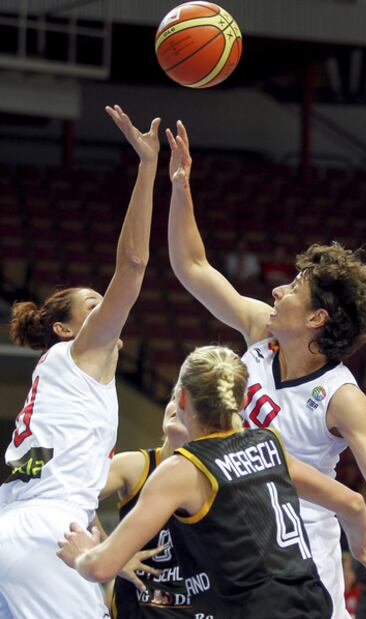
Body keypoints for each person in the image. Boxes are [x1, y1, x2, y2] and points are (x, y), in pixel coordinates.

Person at [164, 121, 366, 616]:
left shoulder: (342, 398)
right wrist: (180, 186)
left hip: (300, 553)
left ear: (317, 318)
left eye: (294, 286)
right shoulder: (263, 331)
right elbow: (192, 266)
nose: (277, 290)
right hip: (231, 532)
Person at [57, 345, 366, 619]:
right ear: (243, 402)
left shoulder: (182, 470)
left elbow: (101, 568)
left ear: (183, 400)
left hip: (256, 611)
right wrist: (363, 550)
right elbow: (354, 504)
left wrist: (82, 555)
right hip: (312, 600)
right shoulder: (269, 444)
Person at [0, 106, 161, 619]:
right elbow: (133, 266)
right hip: (47, 534)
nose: (105, 313)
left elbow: (71, 480)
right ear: (67, 329)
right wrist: (147, 167)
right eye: (93, 306)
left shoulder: (63, 378)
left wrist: (109, 547)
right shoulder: (78, 352)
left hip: (20, 528)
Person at [99, 395, 193, 617]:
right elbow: (71, 496)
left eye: (188, 399)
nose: (175, 405)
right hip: (135, 610)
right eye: (173, 396)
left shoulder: (219, 475)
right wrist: (110, 553)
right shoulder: (134, 467)